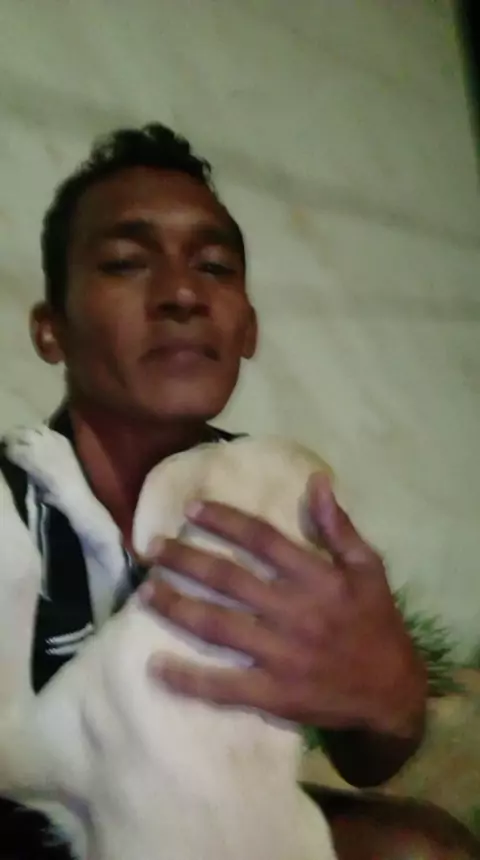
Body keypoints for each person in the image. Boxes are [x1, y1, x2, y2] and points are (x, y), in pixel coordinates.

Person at [0, 124, 477, 860]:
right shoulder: (11, 500)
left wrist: (391, 696)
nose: (183, 293)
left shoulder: (274, 498)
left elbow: (368, 757)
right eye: (125, 262)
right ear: (50, 330)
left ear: (247, 330)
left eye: (215, 267)